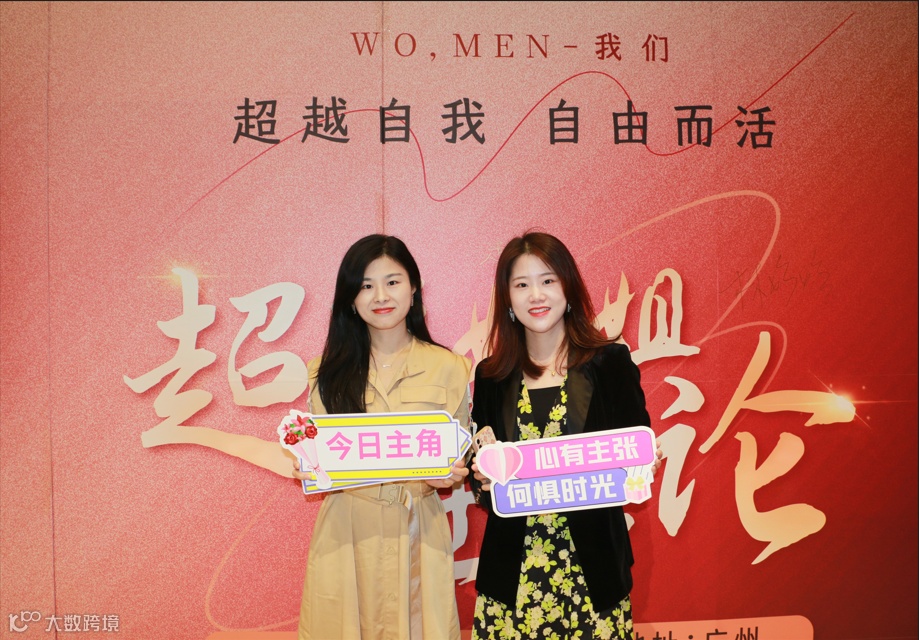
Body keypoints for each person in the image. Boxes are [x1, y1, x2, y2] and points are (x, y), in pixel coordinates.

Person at [470, 231, 661, 640]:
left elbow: (636, 453)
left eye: (548, 280)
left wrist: (643, 465)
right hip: (513, 578)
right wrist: (482, 478)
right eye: (522, 285)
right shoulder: (491, 376)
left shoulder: (609, 363)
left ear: (568, 287)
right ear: (507, 299)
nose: (536, 295)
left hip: (592, 575)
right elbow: (483, 480)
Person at [294, 234, 470, 640]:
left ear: (413, 288)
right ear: (350, 298)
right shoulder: (324, 373)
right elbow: (317, 454)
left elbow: (457, 454)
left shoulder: (450, 367)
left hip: (419, 530)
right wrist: (306, 464)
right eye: (366, 285)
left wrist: (450, 474)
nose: (380, 296)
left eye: (392, 282)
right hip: (347, 531)